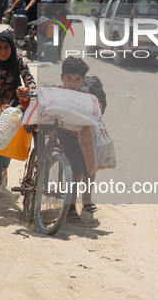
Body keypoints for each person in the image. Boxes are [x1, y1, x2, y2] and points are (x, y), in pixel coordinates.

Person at [0, 31, 36, 197]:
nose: (3, 51)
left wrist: (28, 90)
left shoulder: (18, 61)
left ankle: (3, 168)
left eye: (6, 47)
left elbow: (29, 78)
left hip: (15, 106)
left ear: (12, 48)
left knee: (10, 140)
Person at [58, 57, 104, 222]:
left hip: (86, 134)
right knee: (76, 171)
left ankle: (87, 201)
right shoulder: (56, 92)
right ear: (62, 77)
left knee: (90, 168)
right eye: (68, 78)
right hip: (66, 134)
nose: (72, 83)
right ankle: (71, 207)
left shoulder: (89, 96)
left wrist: (98, 107)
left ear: (83, 80)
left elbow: (98, 112)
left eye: (77, 80)